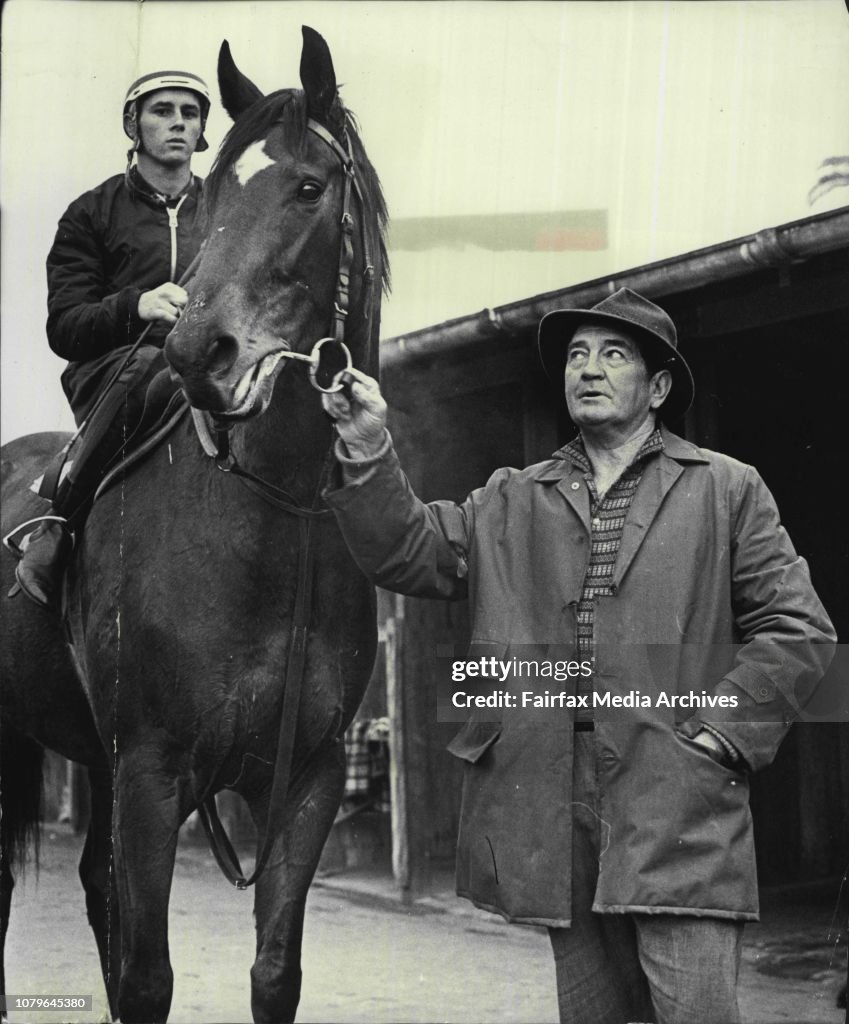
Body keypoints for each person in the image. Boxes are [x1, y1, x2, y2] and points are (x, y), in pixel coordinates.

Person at [320, 288, 836, 1024]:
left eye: (614, 354)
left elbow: (800, 631)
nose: (588, 369)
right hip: (551, 796)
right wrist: (368, 443)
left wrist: (718, 734)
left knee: (694, 1010)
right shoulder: (511, 497)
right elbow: (408, 553)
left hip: (676, 789)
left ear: (657, 388)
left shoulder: (724, 488)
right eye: (575, 355)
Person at [13, 71, 211, 609]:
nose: (177, 123)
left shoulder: (225, 211)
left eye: (189, 113)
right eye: (162, 111)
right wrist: (137, 306)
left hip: (205, 367)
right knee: (151, 365)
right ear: (133, 124)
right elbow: (65, 327)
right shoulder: (89, 214)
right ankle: (56, 519)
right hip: (112, 374)